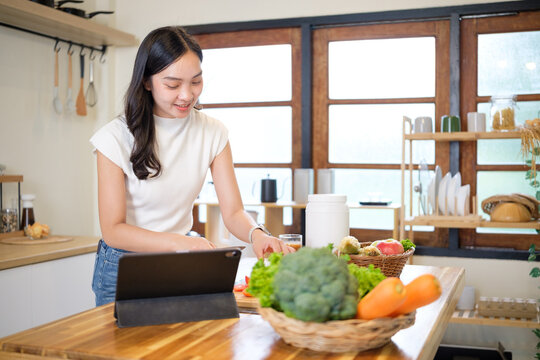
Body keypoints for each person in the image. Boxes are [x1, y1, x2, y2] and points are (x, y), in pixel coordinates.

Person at [89, 26, 294, 306]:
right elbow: (113, 229)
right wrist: (183, 243)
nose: (187, 95)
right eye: (172, 85)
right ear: (147, 82)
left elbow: (233, 212)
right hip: (123, 266)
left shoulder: (212, 132)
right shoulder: (114, 137)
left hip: (179, 260)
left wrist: (256, 234)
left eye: (195, 82)